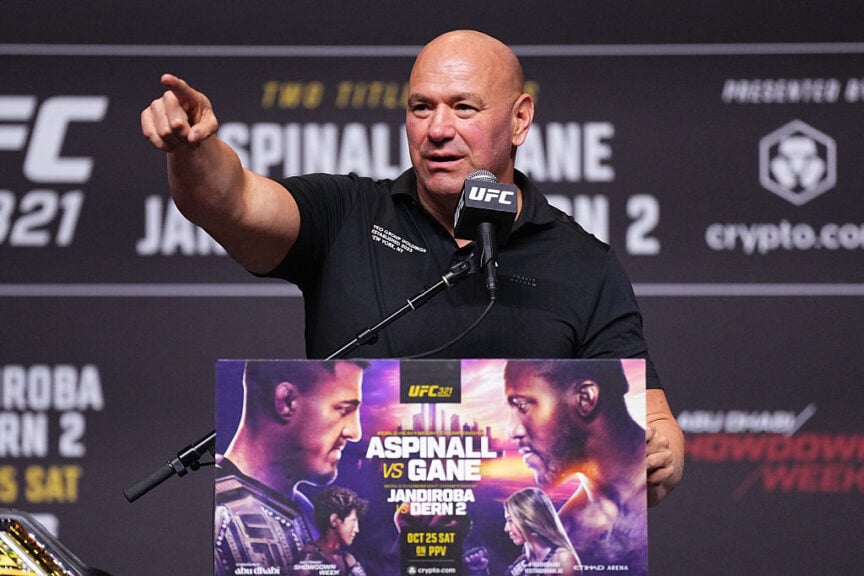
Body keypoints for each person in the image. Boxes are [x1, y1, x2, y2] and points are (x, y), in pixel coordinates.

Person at [142, 27, 682, 520]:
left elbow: (651, 421)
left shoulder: (582, 264)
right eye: (421, 108)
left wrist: (657, 456)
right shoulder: (346, 216)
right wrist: (192, 150)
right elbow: (232, 201)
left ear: (520, 118)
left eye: (464, 108)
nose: (438, 129)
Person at [504, 359, 678, 574]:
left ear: (585, 398)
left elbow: (660, 419)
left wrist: (670, 464)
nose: (511, 431)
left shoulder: (561, 538)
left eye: (522, 406)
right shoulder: (564, 531)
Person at [214, 360, 365, 576]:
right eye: (343, 410)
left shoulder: (306, 512)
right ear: (287, 401)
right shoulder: (216, 516)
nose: (355, 432)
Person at [503, 487, 581, 576]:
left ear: (529, 518)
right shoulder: (522, 561)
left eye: (510, 520)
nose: (506, 528)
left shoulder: (563, 559)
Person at [298, 486, 369, 576]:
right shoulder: (308, 557)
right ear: (334, 520)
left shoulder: (347, 559)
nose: (357, 530)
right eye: (353, 521)